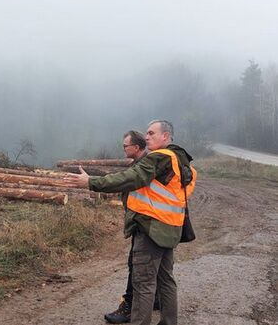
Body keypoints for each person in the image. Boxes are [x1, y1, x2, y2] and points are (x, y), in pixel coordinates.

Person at [65, 120, 196, 325]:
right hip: (170, 229)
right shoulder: (180, 160)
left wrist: (90, 182)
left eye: (152, 133)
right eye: (146, 133)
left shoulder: (159, 157)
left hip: (151, 228)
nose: (147, 137)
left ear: (166, 137)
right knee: (166, 281)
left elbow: (131, 177)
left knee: (143, 284)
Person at [103, 130, 160, 324]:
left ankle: (129, 308)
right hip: (150, 221)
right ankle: (154, 299)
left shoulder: (147, 164)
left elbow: (124, 180)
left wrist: (91, 182)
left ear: (136, 147)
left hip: (146, 222)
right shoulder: (143, 162)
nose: (123, 149)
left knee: (137, 265)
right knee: (153, 265)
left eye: (125, 146)